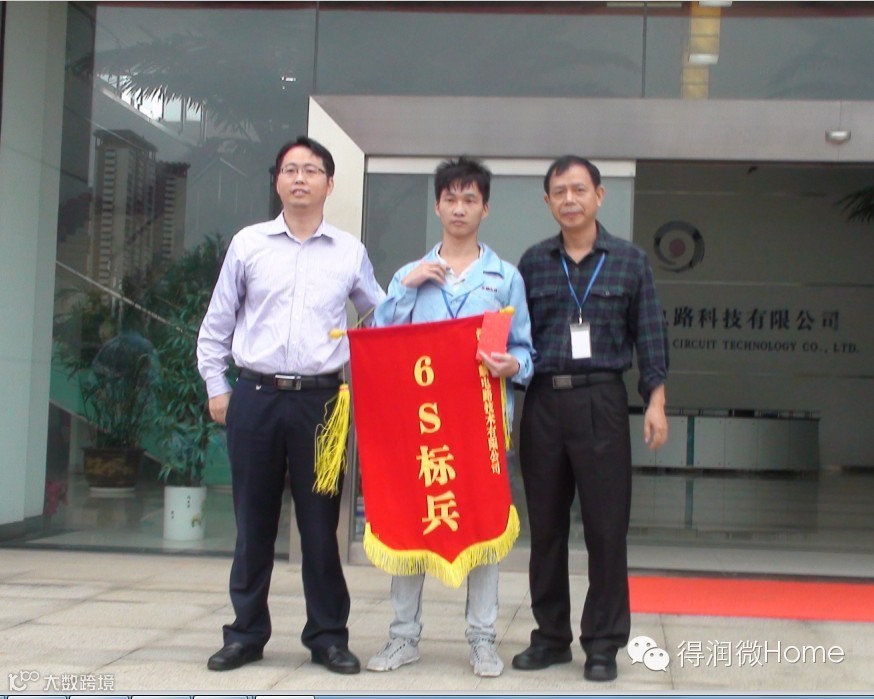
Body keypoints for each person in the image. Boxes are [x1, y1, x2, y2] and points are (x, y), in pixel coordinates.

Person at [197, 135, 385, 674]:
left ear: (330, 182)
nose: (299, 178)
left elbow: (379, 317)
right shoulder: (249, 244)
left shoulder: (349, 252)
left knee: (321, 527)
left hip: (321, 404)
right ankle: (246, 633)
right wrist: (217, 386)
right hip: (255, 398)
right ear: (277, 181)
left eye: (311, 170)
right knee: (252, 523)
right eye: (290, 169)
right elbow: (216, 324)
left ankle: (327, 636)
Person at [367, 157, 534, 678]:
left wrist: (513, 366)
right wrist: (406, 286)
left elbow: (526, 350)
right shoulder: (409, 275)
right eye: (450, 199)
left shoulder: (504, 278)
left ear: (485, 208)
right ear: (437, 205)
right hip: (421, 424)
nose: (459, 209)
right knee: (412, 522)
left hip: (481, 425)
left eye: (470, 200)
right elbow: (378, 339)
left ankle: (483, 639)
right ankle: (403, 636)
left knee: (483, 525)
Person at [512, 155, 669, 682]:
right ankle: (550, 637)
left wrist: (655, 400)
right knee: (546, 528)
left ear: (599, 195)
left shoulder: (629, 261)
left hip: (602, 399)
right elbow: (515, 337)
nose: (570, 200)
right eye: (560, 191)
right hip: (543, 401)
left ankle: (603, 643)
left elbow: (650, 333)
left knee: (606, 528)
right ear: (548, 201)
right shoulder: (533, 263)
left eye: (579, 189)